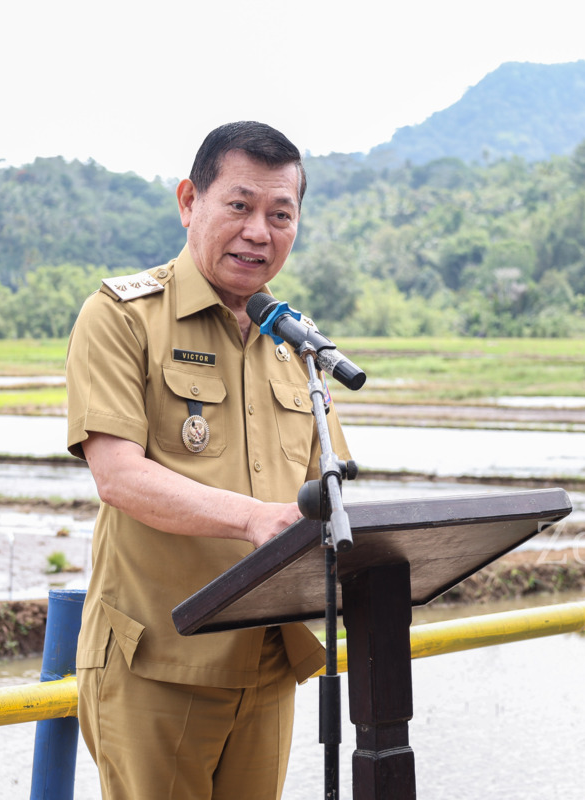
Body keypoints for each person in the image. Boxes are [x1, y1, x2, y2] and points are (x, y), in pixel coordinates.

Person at [65, 121, 350, 799]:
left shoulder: (297, 345)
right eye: (239, 206)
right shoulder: (123, 317)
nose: (259, 232)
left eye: (280, 214)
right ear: (190, 201)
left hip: (268, 659)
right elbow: (118, 476)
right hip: (157, 665)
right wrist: (253, 518)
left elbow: (326, 490)